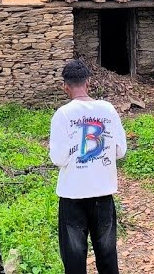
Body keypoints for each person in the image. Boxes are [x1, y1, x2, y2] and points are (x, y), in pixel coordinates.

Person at [49, 60, 126, 274]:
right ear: (88, 83)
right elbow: (120, 150)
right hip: (103, 194)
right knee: (107, 256)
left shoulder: (62, 115)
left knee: (74, 258)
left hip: (72, 196)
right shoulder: (108, 110)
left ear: (65, 86)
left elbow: (58, 158)